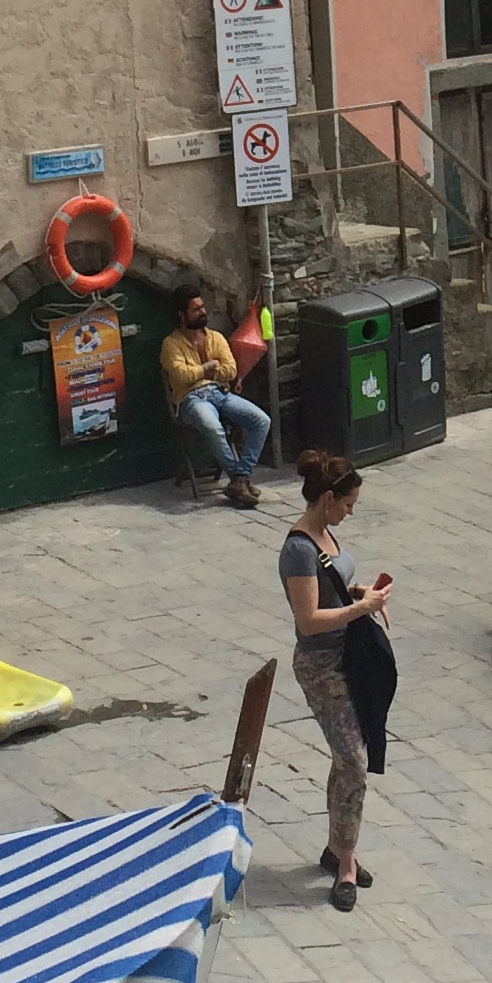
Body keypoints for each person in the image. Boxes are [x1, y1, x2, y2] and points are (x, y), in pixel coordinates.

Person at [278, 450, 391, 913]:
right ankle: (346, 864)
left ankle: (336, 847)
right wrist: (358, 609)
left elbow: (338, 585)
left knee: (347, 760)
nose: (351, 511)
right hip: (322, 666)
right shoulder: (298, 550)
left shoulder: (326, 534)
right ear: (327, 498)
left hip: (350, 659)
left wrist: (363, 593)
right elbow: (308, 621)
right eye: (347, 503)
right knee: (353, 761)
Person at [159, 284, 270, 509]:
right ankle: (239, 479)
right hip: (192, 399)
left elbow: (230, 370)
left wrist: (204, 371)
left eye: (202, 307)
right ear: (182, 315)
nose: (203, 312)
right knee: (212, 427)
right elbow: (180, 376)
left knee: (261, 420)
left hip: (221, 393)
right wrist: (208, 367)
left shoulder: (216, 338)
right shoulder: (170, 345)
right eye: (196, 309)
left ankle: (240, 478)